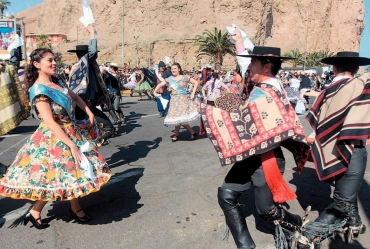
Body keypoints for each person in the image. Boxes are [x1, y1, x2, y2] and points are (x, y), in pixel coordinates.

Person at [201, 27, 310, 249]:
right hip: (253, 154)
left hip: (267, 158)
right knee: (226, 195)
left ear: (267, 66)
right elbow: (245, 101)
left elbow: (243, 112)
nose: (249, 66)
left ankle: (297, 223)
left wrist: (209, 107)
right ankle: (246, 246)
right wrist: (239, 42)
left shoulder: (270, 91)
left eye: (253, 63)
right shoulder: (263, 86)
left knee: (266, 211)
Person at [0, 48, 111, 229]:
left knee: (74, 174)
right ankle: (49, 211)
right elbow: (50, 122)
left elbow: (74, 97)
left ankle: (61, 209)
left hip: (71, 131)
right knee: (58, 176)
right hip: (54, 138)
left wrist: (89, 111)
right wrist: (71, 145)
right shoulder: (39, 90)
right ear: (37, 65)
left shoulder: (57, 81)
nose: (54, 63)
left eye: (54, 60)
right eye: (49, 61)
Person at [305, 51, 370, 245]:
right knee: (342, 199)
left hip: (331, 150)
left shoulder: (328, 91)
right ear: (357, 68)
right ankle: (307, 236)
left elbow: (322, 121)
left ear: (333, 68)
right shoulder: (361, 86)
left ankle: (355, 222)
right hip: (354, 149)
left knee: (346, 191)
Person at [68, 25, 119, 143]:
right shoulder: (81, 65)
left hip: (86, 105)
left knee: (86, 130)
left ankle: (87, 147)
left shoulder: (85, 68)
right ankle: (89, 147)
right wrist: (92, 34)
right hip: (81, 106)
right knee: (107, 128)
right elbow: (92, 53)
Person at [153, 62, 200, 141]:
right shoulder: (170, 79)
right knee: (176, 119)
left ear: (179, 69)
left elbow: (196, 82)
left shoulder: (184, 77)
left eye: (175, 69)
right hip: (174, 101)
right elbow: (160, 85)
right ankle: (186, 133)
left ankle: (184, 133)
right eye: (172, 69)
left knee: (181, 119)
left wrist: (192, 93)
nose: (173, 70)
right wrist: (154, 92)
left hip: (183, 100)